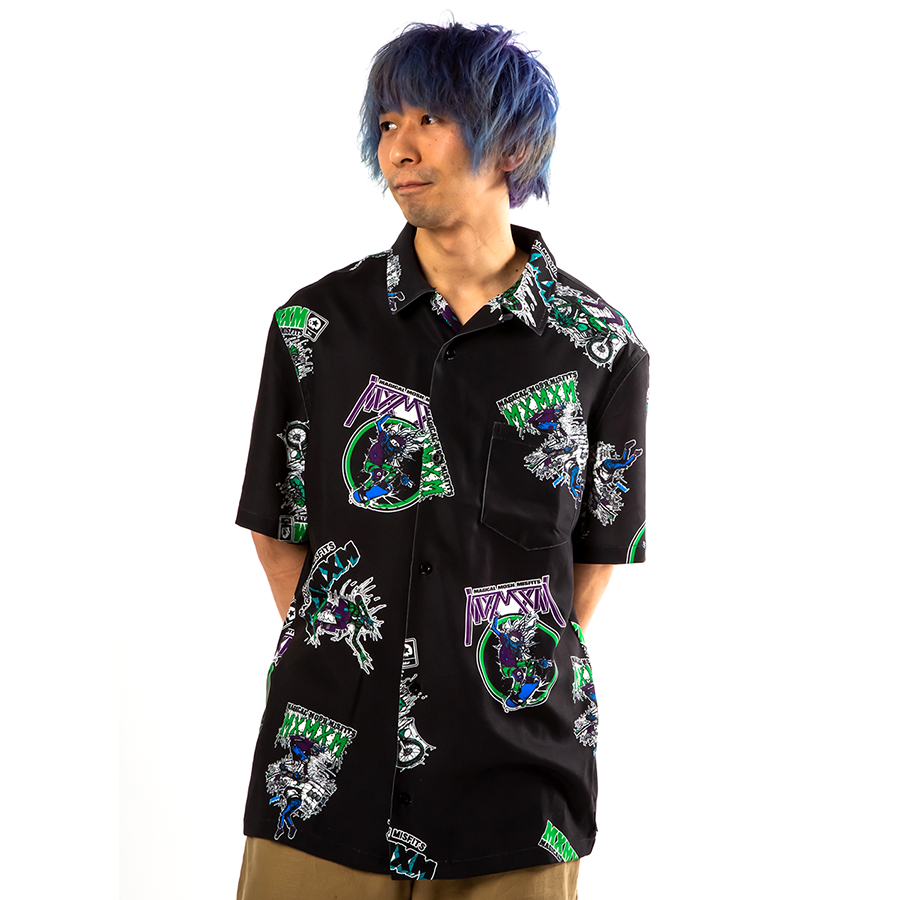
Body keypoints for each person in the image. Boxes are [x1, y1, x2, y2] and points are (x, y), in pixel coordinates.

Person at [235, 21, 648, 900]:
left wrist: (478, 680)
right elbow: (278, 531)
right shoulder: (314, 327)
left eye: (430, 119)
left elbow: (595, 559)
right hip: (323, 781)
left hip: (516, 794)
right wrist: (357, 662)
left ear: (512, 146)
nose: (400, 147)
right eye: (388, 123)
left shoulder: (602, 348)